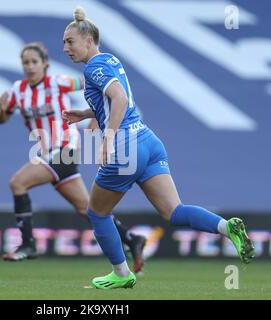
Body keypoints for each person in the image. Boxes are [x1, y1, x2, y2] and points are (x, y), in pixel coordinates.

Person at [62, 7, 255, 289]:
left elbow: (119, 99)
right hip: (148, 140)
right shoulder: (110, 60)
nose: (65, 47)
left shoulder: (92, 67)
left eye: (70, 41)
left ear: (88, 40)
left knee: (97, 213)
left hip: (125, 146)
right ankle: (227, 228)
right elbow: (117, 98)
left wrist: (107, 138)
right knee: (174, 211)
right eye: (64, 42)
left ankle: (121, 273)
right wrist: (86, 114)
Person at [0, 42, 146, 273]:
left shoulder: (58, 82)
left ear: (45, 63)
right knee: (88, 209)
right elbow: (2, 119)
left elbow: (93, 84)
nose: (30, 66)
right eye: (25, 62)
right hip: (46, 154)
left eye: (34, 62)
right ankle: (131, 238)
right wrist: (2, 110)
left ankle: (28, 244)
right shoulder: (17, 90)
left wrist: (96, 114)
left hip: (65, 148)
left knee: (18, 182)